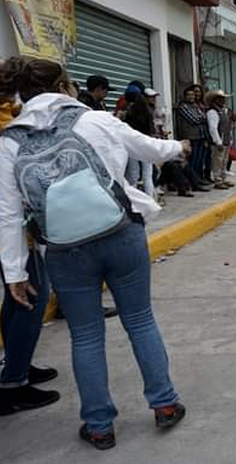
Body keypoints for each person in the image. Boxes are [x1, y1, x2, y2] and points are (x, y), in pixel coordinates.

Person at [0, 57, 188, 450]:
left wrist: (14, 273)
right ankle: (165, 403)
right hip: (121, 234)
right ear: (65, 85)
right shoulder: (93, 119)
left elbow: (8, 213)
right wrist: (179, 146)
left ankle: (100, 425)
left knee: (85, 336)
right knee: (140, 320)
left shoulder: (9, 142)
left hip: (65, 252)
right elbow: (151, 149)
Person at [0, 69, 60, 416]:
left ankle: (16, 366)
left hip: (17, 224)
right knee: (29, 297)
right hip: (11, 227)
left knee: (17, 300)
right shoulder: (8, 129)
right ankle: (14, 383)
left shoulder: (11, 121)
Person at [176, 85, 210, 192]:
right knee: (192, 161)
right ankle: (192, 182)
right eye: (189, 95)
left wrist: (201, 118)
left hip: (200, 136)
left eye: (193, 95)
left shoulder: (195, 106)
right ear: (185, 96)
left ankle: (198, 180)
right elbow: (194, 120)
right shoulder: (183, 107)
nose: (192, 97)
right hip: (191, 137)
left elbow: (205, 117)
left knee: (199, 161)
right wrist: (201, 118)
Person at [205, 89, 234, 189]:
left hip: (225, 140)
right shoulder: (212, 112)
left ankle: (223, 179)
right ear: (215, 100)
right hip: (219, 142)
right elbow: (213, 128)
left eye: (223, 99)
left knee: (224, 161)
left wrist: (229, 139)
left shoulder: (222, 111)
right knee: (218, 161)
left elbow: (227, 126)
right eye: (220, 99)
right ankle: (218, 180)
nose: (223, 101)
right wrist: (218, 141)